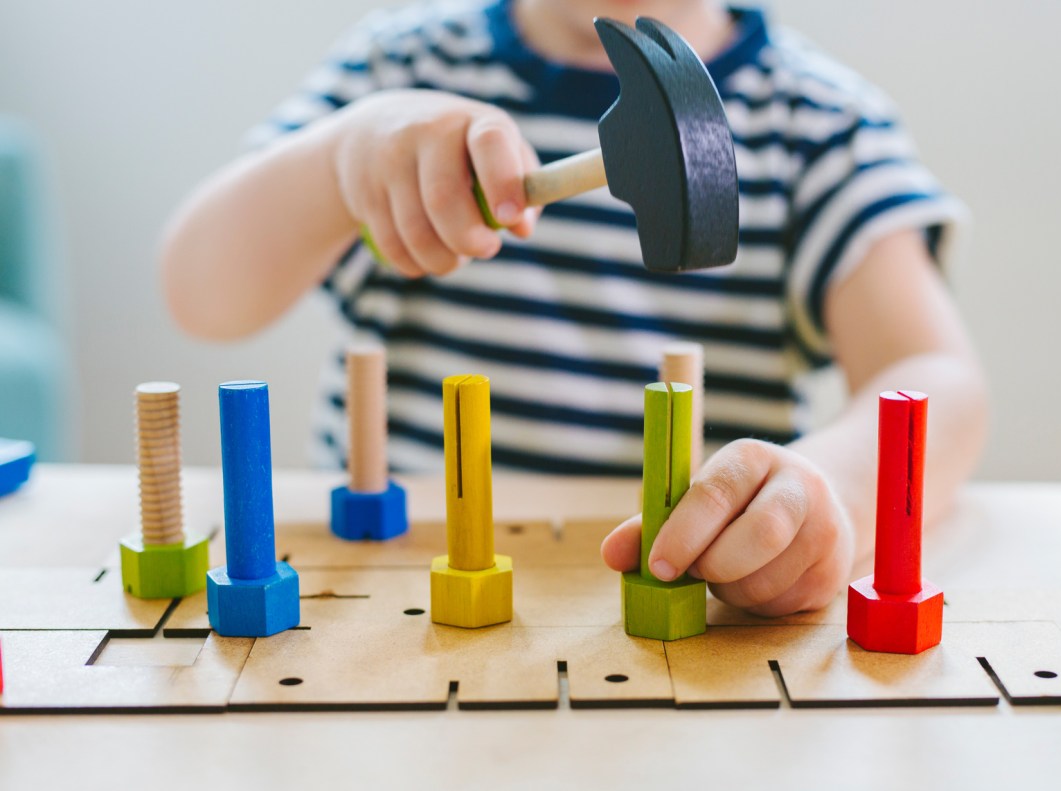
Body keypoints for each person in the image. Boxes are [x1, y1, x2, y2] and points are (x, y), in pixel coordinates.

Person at [159, 0, 988, 617]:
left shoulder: (818, 123)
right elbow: (201, 295)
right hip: (386, 587)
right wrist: (340, 161)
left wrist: (830, 491)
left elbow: (937, 381)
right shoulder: (394, 73)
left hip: (678, 603)